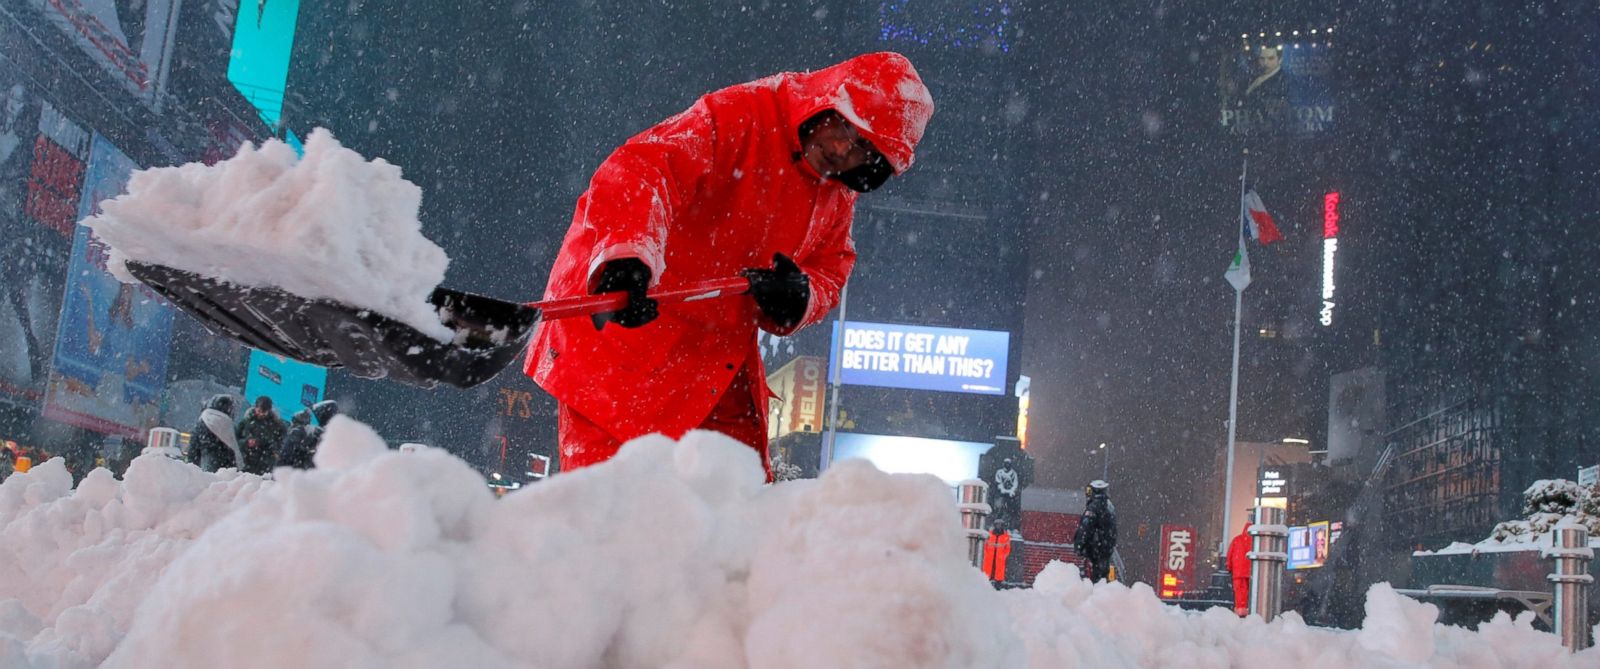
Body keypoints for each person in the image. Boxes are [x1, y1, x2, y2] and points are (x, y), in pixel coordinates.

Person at [525, 52, 934, 480]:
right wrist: (627, 255)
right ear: (826, 101)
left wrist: (800, 296)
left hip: (712, 361)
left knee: (737, 512)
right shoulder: (742, 114)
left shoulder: (836, 191)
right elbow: (645, 168)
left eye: (863, 148)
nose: (840, 149)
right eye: (844, 127)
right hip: (619, 343)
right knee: (616, 516)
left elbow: (832, 267)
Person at [1073, 479, 1118, 582]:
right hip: (1106, 550)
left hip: (1095, 550)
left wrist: (1079, 545)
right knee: (1102, 578)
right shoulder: (1109, 507)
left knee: (1095, 580)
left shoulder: (1093, 508)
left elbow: (1085, 528)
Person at [185, 394, 242, 472]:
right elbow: (234, 450)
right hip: (224, 469)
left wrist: (191, 464)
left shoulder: (204, 419)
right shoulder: (228, 424)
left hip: (204, 464)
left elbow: (193, 446)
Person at [275, 400, 338, 470]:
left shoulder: (303, 432)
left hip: (296, 472)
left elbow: (285, 457)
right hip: (306, 473)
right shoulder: (328, 436)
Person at [235, 396, 287, 475]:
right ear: (255, 408)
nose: (261, 414)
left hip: (264, 463)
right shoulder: (247, 421)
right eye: (259, 411)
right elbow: (235, 439)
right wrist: (246, 442)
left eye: (264, 412)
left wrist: (269, 447)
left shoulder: (276, 425)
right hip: (246, 459)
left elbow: (281, 442)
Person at [1227, 521, 1254, 616]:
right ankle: (1251, 608)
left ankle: (1241, 610)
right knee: (1252, 592)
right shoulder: (1256, 541)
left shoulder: (1237, 540)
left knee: (1240, 592)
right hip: (1252, 572)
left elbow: (1229, 555)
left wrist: (1229, 567)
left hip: (1238, 572)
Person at [982, 520, 1012, 586]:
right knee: (987, 572)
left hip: (1000, 558)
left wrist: (1003, 556)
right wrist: (986, 554)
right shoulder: (989, 534)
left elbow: (1008, 548)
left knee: (999, 572)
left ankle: (998, 583)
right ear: (995, 525)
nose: (999, 526)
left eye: (1000, 525)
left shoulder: (1006, 536)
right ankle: (987, 581)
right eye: (997, 525)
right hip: (989, 557)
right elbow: (984, 545)